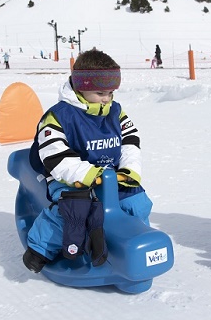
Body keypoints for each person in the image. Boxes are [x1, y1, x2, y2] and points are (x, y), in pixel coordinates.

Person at [23, 49, 153, 273]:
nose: (107, 98)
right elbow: (55, 154)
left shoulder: (115, 112)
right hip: (68, 178)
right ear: (81, 86)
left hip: (110, 176)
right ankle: (39, 248)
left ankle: (132, 243)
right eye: (101, 92)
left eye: (111, 92)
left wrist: (129, 171)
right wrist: (87, 175)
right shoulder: (59, 116)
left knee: (136, 201)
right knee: (74, 210)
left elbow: (130, 140)